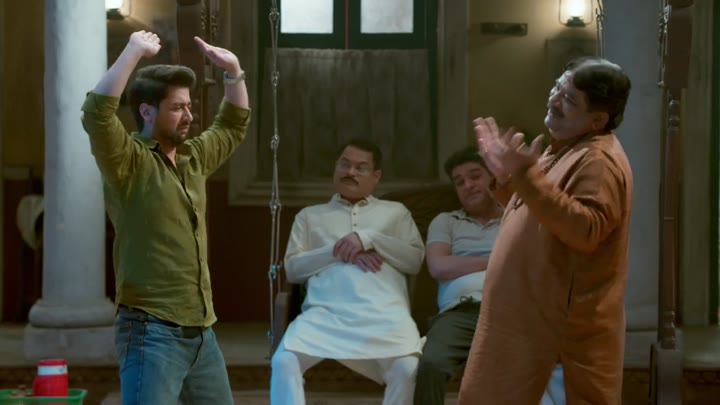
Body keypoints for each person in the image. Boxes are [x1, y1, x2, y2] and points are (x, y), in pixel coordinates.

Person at [80, 31, 250, 404]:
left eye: (188, 106)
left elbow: (232, 125)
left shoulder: (193, 157)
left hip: (201, 330)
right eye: (177, 108)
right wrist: (133, 50)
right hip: (151, 330)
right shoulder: (129, 161)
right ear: (147, 111)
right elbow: (96, 115)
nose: (189, 115)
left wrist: (234, 71)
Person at [458, 56, 633, 404]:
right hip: (522, 319)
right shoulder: (567, 148)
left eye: (569, 99)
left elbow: (585, 230)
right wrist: (508, 179)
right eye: (557, 87)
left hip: (558, 329)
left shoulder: (598, 161)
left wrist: (525, 175)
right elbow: (541, 212)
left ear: (598, 119)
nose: (554, 100)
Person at [271, 139, 425, 405]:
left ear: (376, 176)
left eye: (360, 167)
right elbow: (293, 270)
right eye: (344, 164)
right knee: (284, 361)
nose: (350, 172)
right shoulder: (310, 216)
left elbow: (414, 261)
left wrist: (368, 238)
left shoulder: (396, 213)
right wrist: (339, 249)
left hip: (386, 314)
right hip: (325, 313)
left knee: (407, 368)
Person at [415, 146, 565, 405]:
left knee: (540, 363)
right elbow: (439, 266)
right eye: (459, 182)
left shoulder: (518, 215)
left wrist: (470, 264)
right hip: (460, 313)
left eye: (475, 176)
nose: (467, 185)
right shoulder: (446, 221)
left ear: (493, 178)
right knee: (431, 364)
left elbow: (533, 262)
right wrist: (499, 261)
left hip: (512, 311)